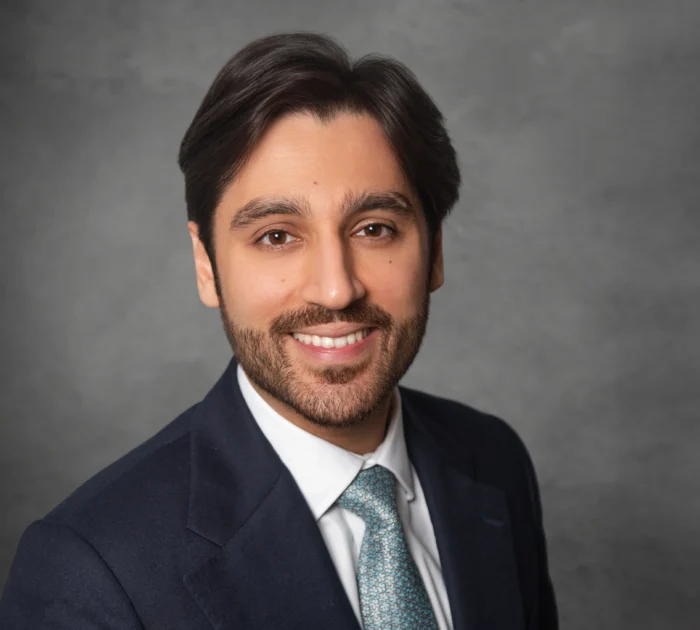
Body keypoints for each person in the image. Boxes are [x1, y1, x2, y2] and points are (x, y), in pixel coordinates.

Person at [0, 32, 558, 629]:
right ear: (206, 266)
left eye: (374, 229)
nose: (336, 289)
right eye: (276, 236)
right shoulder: (89, 572)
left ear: (436, 252)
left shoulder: (492, 460)